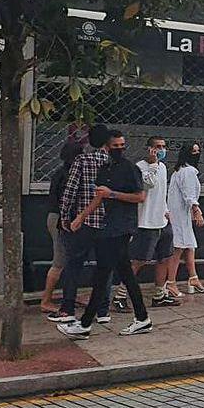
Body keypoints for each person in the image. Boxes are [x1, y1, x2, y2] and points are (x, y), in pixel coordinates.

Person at [58, 129, 153, 338]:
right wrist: (80, 217)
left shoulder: (130, 169)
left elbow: (139, 197)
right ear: (107, 147)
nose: (119, 149)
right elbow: (98, 197)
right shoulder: (105, 168)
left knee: (102, 274)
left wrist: (114, 194)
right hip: (107, 225)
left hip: (121, 227)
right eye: (115, 146)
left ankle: (84, 324)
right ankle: (142, 317)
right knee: (126, 274)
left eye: (122, 145)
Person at [49, 124, 112, 325]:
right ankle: (103, 310)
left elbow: (70, 191)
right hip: (107, 223)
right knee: (104, 266)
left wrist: (65, 217)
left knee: (73, 265)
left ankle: (67, 308)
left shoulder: (82, 160)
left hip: (82, 221)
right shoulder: (114, 163)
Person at [113, 136, 178, 310]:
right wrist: (153, 163)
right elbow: (148, 184)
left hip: (162, 220)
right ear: (149, 149)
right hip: (146, 222)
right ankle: (120, 294)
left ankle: (160, 294)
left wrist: (166, 210)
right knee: (139, 260)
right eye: (157, 147)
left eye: (163, 147)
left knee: (165, 257)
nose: (161, 150)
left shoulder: (163, 167)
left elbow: (161, 191)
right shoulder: (139, 168)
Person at [42, 142, 84, 315]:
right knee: (59, 261)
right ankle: (46, 300)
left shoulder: (61, 172)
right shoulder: (67, 175)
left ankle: (69, 294)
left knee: (67, 260)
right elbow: (65, 201)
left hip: (58, 217)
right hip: (61, 219)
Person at [167, 142, 204, 296]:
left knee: (189, 245)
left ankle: (193, 277)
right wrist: (197, 210)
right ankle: (170, 282)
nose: (197, 154)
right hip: (180, 214)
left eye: (198, 151)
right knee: (179, 247)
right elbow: (189, 194)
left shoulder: (179, 171)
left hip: (180, 212)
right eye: (194, 151)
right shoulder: (188, 172)